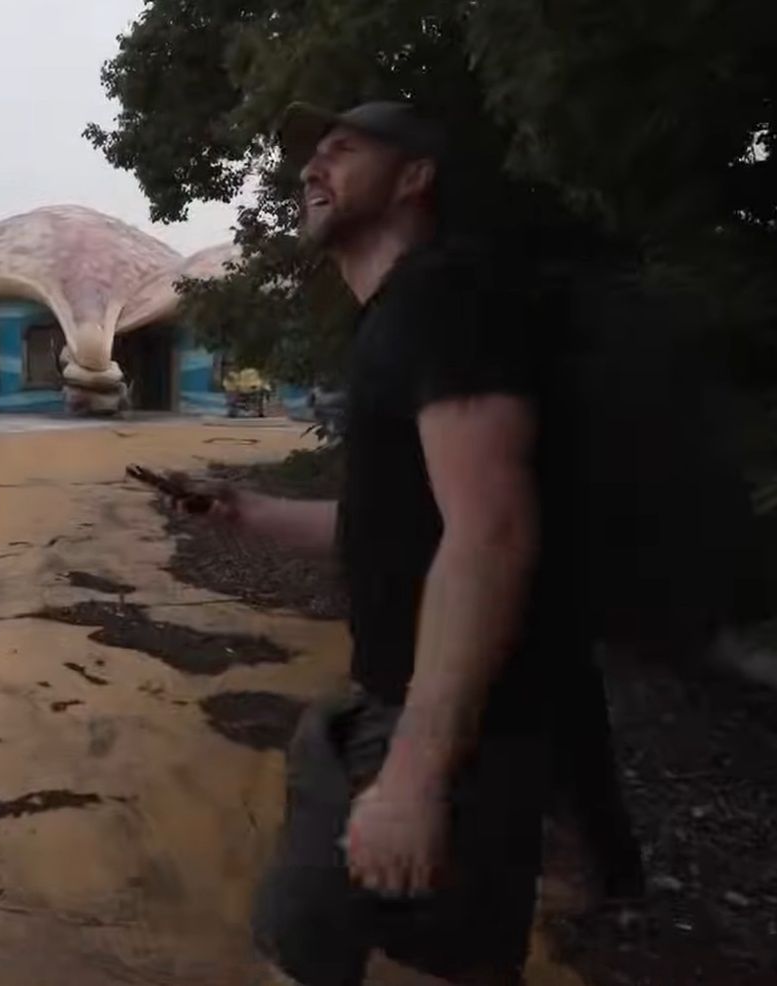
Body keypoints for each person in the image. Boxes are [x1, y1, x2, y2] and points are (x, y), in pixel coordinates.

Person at [183, 101, 600, 985]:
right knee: (337, 951)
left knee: (337, 956)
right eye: (309, 155)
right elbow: (399, 525)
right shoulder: (401, 317)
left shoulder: (445, 298)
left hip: (447, 727)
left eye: (342, 149)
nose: (310, 168)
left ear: (414, 178)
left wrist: (414, 773)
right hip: (401, 712)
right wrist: (249, 512)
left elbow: (490, 532)